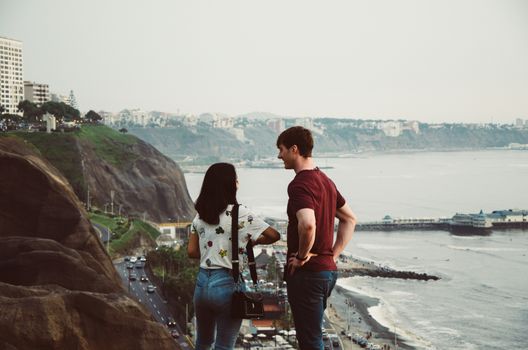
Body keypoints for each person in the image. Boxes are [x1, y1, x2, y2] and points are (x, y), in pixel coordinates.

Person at [276, 126, 357, 350]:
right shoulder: (326, 181)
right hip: (326, 271)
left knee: (310, 342)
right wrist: (333, 254)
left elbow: (308, 224)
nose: (279, 155)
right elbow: (350, 219)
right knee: (312, 337)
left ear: (294, 149)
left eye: (281, 149)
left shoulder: (300, 184)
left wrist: (302, 257)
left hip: (308, 274)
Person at [187, 162, 280, 350]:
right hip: (227, 284)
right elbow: (274, 235)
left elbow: (192, 252)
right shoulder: (241, 213)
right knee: (224, 346)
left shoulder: (200, 216)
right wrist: (253, 242)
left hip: (202, 285)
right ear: (230, 184)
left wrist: (212, 254)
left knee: (203, 343)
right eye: (235, 178)